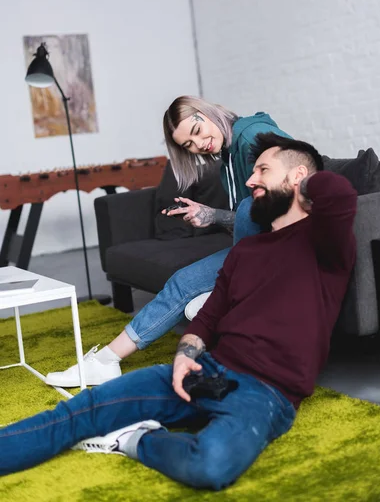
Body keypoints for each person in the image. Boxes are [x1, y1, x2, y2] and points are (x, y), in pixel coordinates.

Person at [0, 134, 357, 491]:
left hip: (266, 393)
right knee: (80, 411)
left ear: (297, 177)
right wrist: (187, 354)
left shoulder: (324, 243)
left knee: (210, 465)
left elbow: (338, 192)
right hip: (205, 370)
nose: (250, 180)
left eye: (262, 170)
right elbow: (208, 317)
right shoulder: (245, 253)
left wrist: (302, 178)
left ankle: (135, 441)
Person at [46, 96, 291, 387]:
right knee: (182, 283)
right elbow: (249, 218)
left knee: (197, 301)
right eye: (188, 145)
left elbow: (287, 191)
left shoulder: (251, 135)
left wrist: (220, 217)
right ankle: (105, 361)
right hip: (254, 247)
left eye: (197, 132)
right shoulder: (227, 155)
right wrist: (211, 216)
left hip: (280, 248)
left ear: (206, 112)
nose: (198, 145)